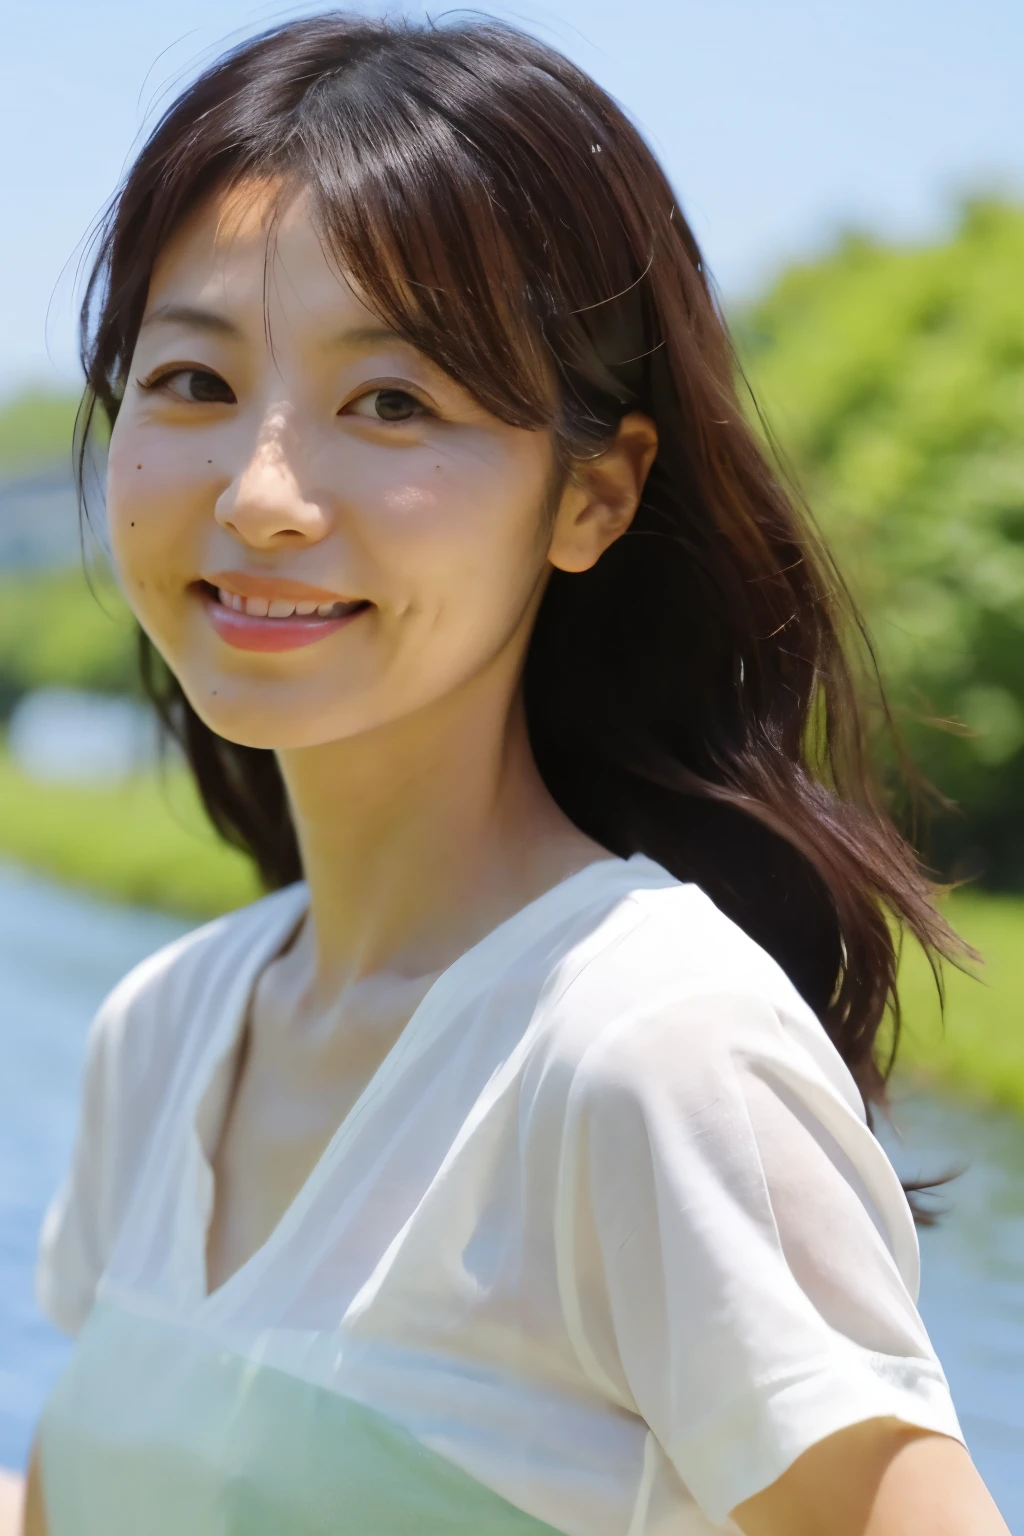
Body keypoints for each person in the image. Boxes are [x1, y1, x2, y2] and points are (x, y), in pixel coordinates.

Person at [22, 14, 1010, 1536]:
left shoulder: (648, 1053)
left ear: (594, 496)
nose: (264, 494)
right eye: (193, 383)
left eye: (394, 403)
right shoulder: (162, 1033)